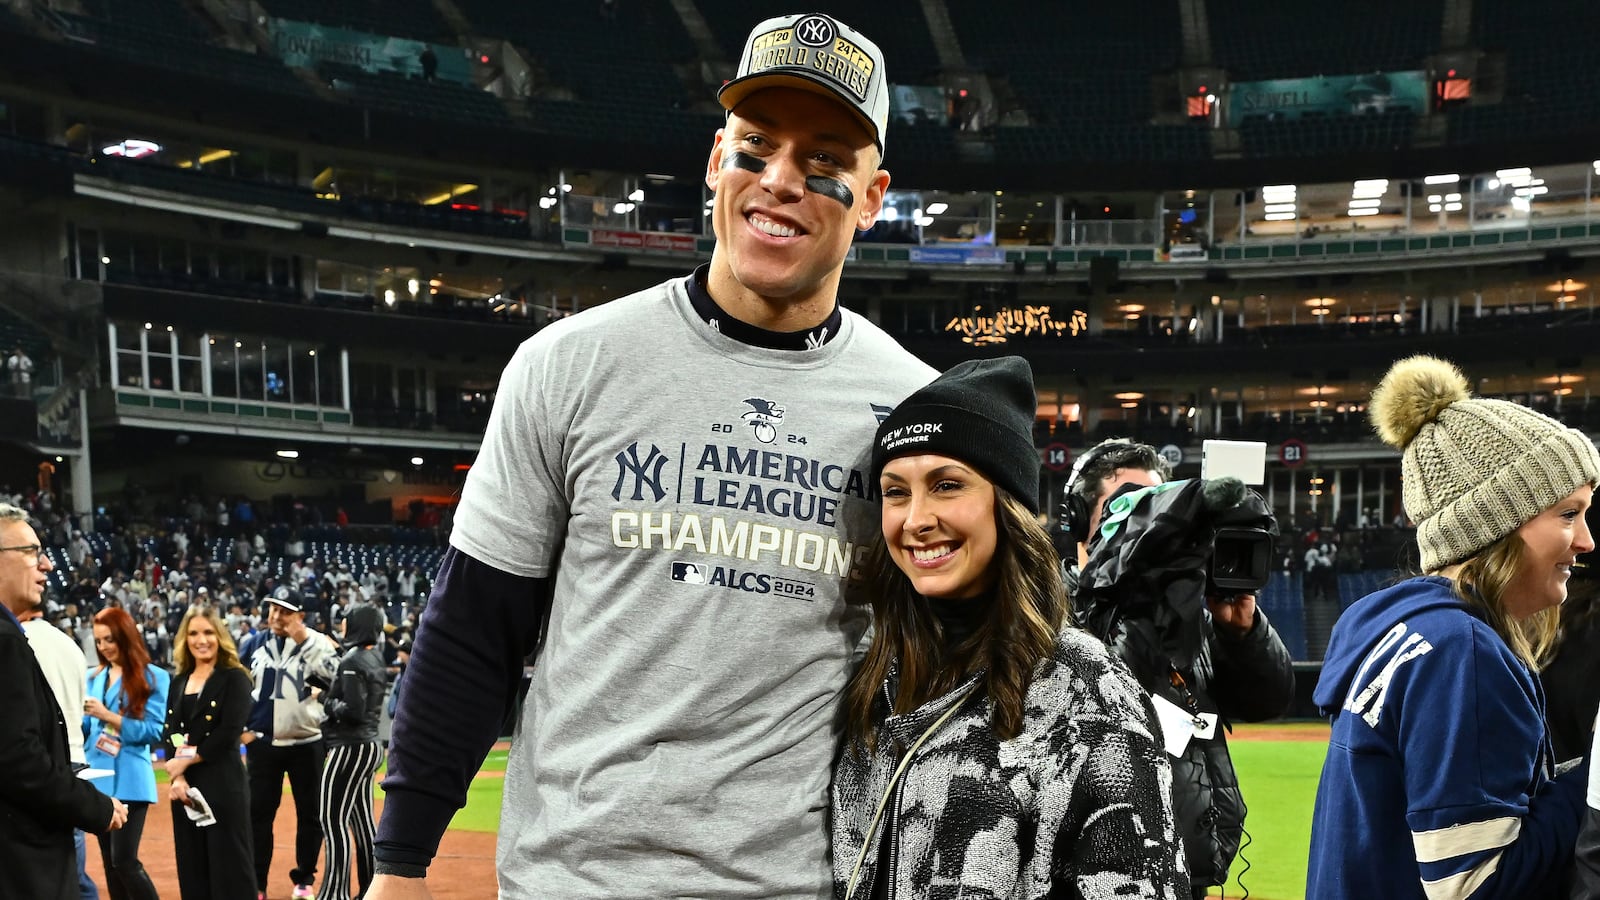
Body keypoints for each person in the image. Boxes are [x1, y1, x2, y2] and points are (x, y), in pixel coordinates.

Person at [369, 12, 934, 899]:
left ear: (871, 196)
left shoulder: (917, 411)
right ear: (717, 162)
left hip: (796, 886)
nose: (781, 180)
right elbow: (474, 632)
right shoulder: (572, 364)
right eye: (757, 146)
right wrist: (401, 864)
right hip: (576, 879)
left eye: (825, 160)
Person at [832, 358, 1188, 898]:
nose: (915, 519)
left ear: (1010, 506)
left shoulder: (1089, 692)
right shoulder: (876, 679)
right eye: (896, 491)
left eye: (947, 485)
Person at [1308, 355, 1596, 898]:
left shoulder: (1406, 630)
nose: (1586, 541)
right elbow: (1471, 886)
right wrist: (1593, 778)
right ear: (1498, 524)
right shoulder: (1460, 651)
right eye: (1567, 513)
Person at [1063, 437, 1294, 896]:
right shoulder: (1052, 617)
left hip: (1192, 876)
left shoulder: (1194, 621)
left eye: (1158, 507)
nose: (1149, 524)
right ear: (1077, 517)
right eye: (1127, 507)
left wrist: (1240, 630)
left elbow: (1266, 701)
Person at [0, 503, 126, 900]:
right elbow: (17, 758)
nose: (47, 565)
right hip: (19, 859)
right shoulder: (5, 640)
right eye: (32, 552)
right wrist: (94, 806)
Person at [238, 586, 338, 899]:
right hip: (263, 744)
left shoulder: (319, 643)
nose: (276, 616)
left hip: (306, 742)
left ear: (300, 616)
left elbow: (337, 679)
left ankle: (304, 879)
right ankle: (257, 884)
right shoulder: (253, 644)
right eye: (273, 609)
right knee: (258, 816)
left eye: (284, 611)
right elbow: (236, 687)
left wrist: (305, 642)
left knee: (310, 814)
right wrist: (242, 730)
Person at [164, 605, 255, 899]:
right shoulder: (178, 682)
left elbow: (229, 733)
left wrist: (183, 763)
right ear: (184, 639)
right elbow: (171, 732)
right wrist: (178, 779)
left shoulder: (235, 678)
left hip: (223, 785)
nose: (200, 640)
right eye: (193, 633)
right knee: (192, 867)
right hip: (186, 789)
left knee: (229, 867)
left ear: (220, 636)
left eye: (207, 632)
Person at [84, 607, 171, 900]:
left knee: (124, 859)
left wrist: (109, 716)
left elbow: (153, 731)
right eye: (98, 641)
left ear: (125, 636)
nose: (104, 647)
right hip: (96, 776)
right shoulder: (93, 677)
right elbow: (85, 727)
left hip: (131, 779)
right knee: (110, 864)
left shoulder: (154, 676)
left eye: (109, 639)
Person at [22, 597, 101, 899]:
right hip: (75, 757)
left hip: (42, 762)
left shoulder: (17, 642)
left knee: (53, 870)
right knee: (72, 863)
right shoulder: (70, 646)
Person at [317, 605, 388, 900]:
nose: (342, 626)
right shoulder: (375, 657)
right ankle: (372, 889)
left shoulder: (351, 659)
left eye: (346, 622)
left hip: (349, 746)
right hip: (370, 746)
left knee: (332, 821)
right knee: (363, 823)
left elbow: (353, 712)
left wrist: (324, 698)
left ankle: (335, 894)